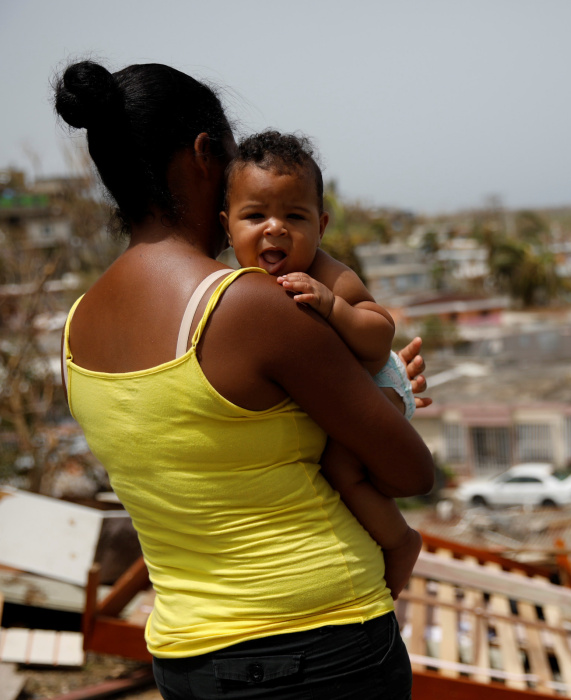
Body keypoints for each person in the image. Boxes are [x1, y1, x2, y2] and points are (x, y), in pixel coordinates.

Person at [54, 60, 434, 699]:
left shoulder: (75, 327)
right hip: (321, 647)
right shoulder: (246, 305)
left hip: (187, 660)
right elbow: (411, 473)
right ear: (207, 159)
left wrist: (361, 384)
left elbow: (219, 458)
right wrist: (384, 400)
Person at [219, 130, 422, 601]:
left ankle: (400, 540)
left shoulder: (329, 275)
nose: (275, 228)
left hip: (380, 385)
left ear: (321, 225)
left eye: (295, 216)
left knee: (338, 465)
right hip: (344, 390)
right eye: (255, 216)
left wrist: (335, 307)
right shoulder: (239, 284)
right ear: (227, 226)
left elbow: (379, 333)